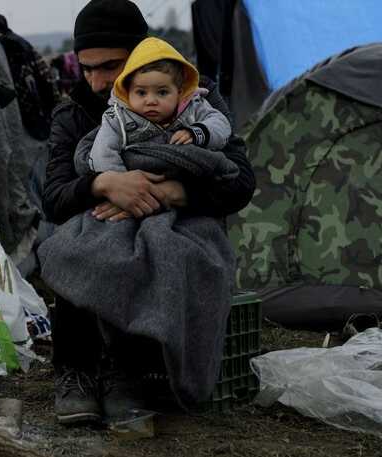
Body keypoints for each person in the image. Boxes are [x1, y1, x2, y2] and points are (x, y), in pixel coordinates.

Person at [43, 0, 255, 424]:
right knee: (71, 245)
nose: (98, 80)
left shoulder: (195, 98)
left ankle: (129, 373)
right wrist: (103, 183)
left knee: (159, 252)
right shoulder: (74, 113)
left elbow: (240, 182)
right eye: (87, 68)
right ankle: (77, 372)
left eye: (110, 66)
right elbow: (53, 196)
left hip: (181, 222)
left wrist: (177, 192)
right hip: (103, 220)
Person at [87, 36, 231, 173]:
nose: (151, 101)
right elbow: (102, 153)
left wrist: (195, 132)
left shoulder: (194, 107)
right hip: (136, 183)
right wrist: (122, 183)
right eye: (141, 93)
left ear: (179, 92)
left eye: (162, 92)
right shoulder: (117, 118)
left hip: (189, 177)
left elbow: (221, 124)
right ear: (128, 91)